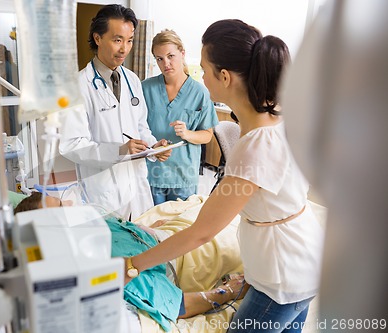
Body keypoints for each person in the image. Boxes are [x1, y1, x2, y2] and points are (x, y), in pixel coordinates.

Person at [125, 19, 324, 333]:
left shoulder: (256, 145)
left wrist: (133, 265)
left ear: (225, 77)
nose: (200, 76)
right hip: (303, 257)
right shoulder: (277, 119)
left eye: (204, 69)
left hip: (282, 277)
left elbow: (200, 233)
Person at [14, 192, 249, 328]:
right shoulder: (104, 265)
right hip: (184, 257)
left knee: (207, 205)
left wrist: (143, 229)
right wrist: (227, 292)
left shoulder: (90, 226)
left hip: (164, 233)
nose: (70, 203)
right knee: (237, 228)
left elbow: (125, 226)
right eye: (61, 207)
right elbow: (177, 305)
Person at [59, 5, 170, 221]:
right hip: (103, 191)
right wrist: (117, 151)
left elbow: (140, 127)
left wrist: (153, 146)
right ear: (98, 38)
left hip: (136, 185)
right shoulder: (78, 86)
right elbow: (71, 145)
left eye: (129, 40)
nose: (124, 49)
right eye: (117, 40)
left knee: (141, 243)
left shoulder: (133, 80)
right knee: (112, 250)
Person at [142, 29, 218, 204]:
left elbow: (207, 134)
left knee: (178, 225)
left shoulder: (200, 92)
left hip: (183, 176)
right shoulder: (145, 88)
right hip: (151, 173)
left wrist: (187, 134)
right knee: (149, 226)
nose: (166, 63)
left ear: (182, 53)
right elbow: (136, 127)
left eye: (170, 56)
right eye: (159, 59)